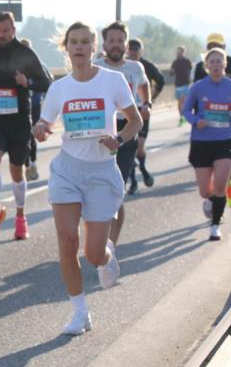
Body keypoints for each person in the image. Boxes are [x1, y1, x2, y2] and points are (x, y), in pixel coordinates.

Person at [33, 21, 142, 335]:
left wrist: (119, 140)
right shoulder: (59, 88)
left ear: (94, 47)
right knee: (67, 242)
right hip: (67, 170)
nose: (79, 47)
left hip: (101, 172)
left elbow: (134, 121)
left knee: (92, 254)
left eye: (85, 42)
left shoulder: (113, 80)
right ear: (66, 48)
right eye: (73, 42)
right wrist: (39, 129)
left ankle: (106, 255)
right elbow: (43, 123)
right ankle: (80, 314)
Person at [0, 12, 52, 240]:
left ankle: (20, 217)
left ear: (14, 29)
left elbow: (46, 82)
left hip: (19, 122)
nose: (2, 35)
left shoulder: (25, 54)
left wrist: (27, 82)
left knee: (17, 171)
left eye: (6, 31)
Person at [93, 21, 150, 247]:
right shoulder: (95, 66)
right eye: (111, 41)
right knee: (98, 195)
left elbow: (144, 88)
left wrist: (147, 104)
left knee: (117, 192)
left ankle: (110, 246)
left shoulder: (135, 68)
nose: (116, 45)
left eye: (120, 41)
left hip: (127, 131)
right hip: (100, 135)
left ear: (126, 44)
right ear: (104, 44)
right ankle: (98, 239)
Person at [182, 48, 231, 241]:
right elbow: (186, 111)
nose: (216, 65)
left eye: (219, 61)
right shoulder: (198, 87)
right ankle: (212, 200)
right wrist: (196, 121)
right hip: (201, 142)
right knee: (205, 191)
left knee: (219, 186)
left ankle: (215, 226)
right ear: (207, 66)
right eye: (212, 62)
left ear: (225, 64)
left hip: (224, 140)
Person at [126, 38, 164, 193]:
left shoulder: (146, 66)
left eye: (136, 50)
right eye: (131, 49)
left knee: (139, 148)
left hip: (142, 112)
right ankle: (133, 182)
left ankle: (142, 167)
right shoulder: (122, 66)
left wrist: (150, 99)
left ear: (141, 52)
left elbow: (160, 81)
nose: (133, 52)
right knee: (129, 148)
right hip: (125, 114)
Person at [19, 37, 53, 182]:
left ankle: (31, 164)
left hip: (34, 104)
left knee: (30, 134)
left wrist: (30, 83)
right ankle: (26, 164)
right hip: (19, 106)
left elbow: (48, 80)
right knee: (21, 136)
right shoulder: (14, 65)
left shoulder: (37, 64)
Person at [171, 45, 193, 125]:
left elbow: (191, 71)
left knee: (184, 101)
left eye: (181, 51)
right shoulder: (175, 62)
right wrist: (172, 71)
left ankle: (184, 116)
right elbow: (171, 73)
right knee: (180, 102)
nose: (179, 52)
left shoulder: (187, 61)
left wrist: (190, 79)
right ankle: (181, 116)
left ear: (184, 52)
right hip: (178, 84)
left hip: (186, 83)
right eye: (178, 51)